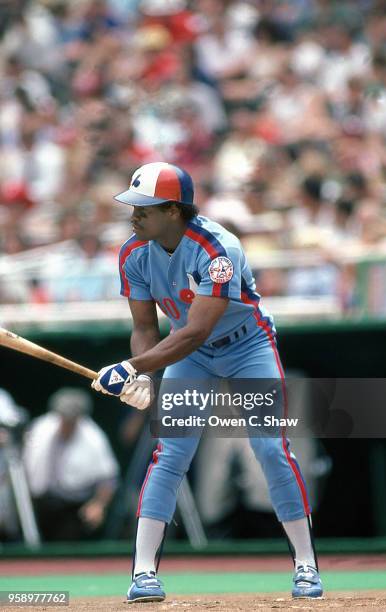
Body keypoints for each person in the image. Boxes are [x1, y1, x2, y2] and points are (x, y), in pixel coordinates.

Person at [91, 162, 323, 602]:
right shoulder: (132, 254)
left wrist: (132, 366)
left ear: (175, 211)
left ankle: (306, 566)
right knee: (170, 452)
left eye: (145, 208)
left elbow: (198, 329)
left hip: (246, 346)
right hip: (190, 356)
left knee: (271, 448)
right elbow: (145, 327)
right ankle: (143, 574)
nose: (133, 215)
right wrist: (146, 372)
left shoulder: (218, 250)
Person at [23, 387, 119, 541]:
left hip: (74, 506)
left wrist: (98, 504)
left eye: (71, 419)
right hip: (40, 502)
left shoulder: (94, 438)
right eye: (62, 416)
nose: (65, 422)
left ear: (80, 418)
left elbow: (108, 477)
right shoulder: (40, 427)